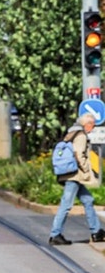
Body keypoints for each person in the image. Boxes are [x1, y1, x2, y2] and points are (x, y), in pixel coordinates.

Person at [49, 101, 105, 245]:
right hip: (74, 175)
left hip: (70, 174)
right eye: (92, 125)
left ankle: (96, 231)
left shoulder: (71, 132)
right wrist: (87, 170)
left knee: (88, 200)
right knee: (66, 205)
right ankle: (55, 234)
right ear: (87, 124)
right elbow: (78, 154)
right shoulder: (80, 135)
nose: (93, 127)